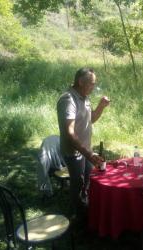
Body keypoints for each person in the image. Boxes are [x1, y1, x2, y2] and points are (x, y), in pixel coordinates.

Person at [57, 67, 110, 224]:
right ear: (81, 82)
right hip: (74, 151)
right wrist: (89, 154)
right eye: (91, 83)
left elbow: (90, 119)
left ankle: (85, 210)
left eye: (94, 84)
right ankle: (76, 216)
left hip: (86, 150)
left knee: (87, 181)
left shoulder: (84, 97)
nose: (93, 87)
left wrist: (100, 106)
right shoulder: (68, 100)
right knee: (78, 182)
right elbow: (70, 133)